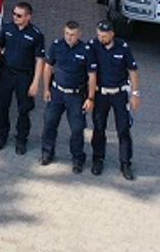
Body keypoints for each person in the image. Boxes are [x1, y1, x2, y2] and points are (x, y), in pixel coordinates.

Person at [87, 21, 142, 180]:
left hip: (119, 94)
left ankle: (125, 163)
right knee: (99, 127)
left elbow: (133, 71)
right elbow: (91, 73)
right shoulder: (93, 46)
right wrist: (90, 97)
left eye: (103, 36)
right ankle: (98, 159)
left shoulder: (123, 47)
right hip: (101, 94)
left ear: (112, 34)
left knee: (123, 129)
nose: (100, 38)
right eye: (98, 35)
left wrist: (135, 94)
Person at [0, 2, 47, 155]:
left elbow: (39, 60)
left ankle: (21, 140)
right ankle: (0, 136)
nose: (15, 17)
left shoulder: (36, 34)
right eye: (14, 14)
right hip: (6, 73)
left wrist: (36, 82)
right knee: (2, 106)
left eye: (19, 15)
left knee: (24, 109)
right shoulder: (7, 28)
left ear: (28, 17)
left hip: (24, 76)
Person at [37, 21, 92, 173]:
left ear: (79, 34)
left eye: (73, 34)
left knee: (77, 129)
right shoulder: (56, 46)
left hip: (76, 96)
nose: (69, 37)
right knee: (49, 124)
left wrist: (90, 98)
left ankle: (77, 158)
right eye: (67, 33)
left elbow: (92, 75)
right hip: (57, 93)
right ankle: (47, 153)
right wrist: (46, 89)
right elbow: (48, 67)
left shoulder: (86, 50)